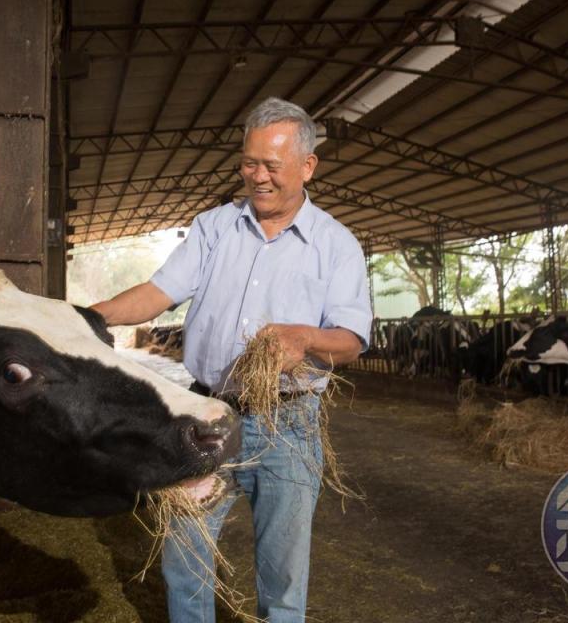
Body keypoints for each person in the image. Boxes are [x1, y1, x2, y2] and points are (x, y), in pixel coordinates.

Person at [91, 96, 372, 623]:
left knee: (283, 572)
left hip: (289, 425)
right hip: (207, 417)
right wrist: (87, 315)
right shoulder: (214, 227)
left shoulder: (336, 245)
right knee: (185, 553)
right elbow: (156, 293)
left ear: (308, 166)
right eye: (248, 163)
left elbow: (353, 338)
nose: (257, 177)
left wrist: (305, 338)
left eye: (272, 165)